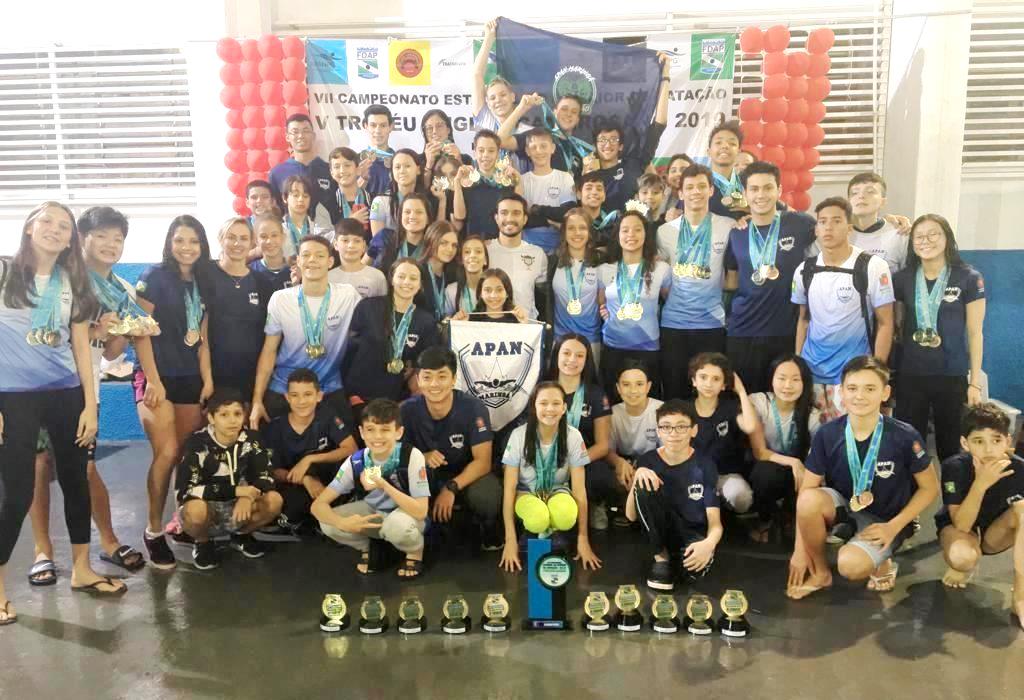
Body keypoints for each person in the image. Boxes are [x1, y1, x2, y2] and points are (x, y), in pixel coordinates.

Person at [1, 202, 126, 625]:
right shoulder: (4, 271)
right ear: (29, 226)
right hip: (13, 397)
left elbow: (80, 345)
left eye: (64, 226)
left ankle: (82, 569)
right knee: (15, 493)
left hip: (66, 392)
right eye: (47, 222)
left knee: (76, 482)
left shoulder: (73, 280)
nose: (55, 230)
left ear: (71, 238)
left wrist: (90, 404)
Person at [30, 207, 151, 586]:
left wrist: (113, 332)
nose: (110, 245)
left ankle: (109, 541)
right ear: (82, 238)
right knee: (39, 465)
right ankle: (42, 550)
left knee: (85, 467)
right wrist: (91, 331)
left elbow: (112, 353)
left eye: (118, 239)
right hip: (38, 387)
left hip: (85, 391)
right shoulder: (60, 278)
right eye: (102, 236)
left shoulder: (122, 290)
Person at [786, 356, 938, 600]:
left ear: (885, 393)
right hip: (846, 510)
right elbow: (807, 489)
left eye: (870, 389)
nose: (859, 396)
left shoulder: (904, 435)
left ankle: (884, 560)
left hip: (887, 520)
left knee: (850, 566)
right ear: (841, 393)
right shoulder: (828, 433)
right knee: (808, 500)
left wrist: (894, 526)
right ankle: (821, 573)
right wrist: (799, 550)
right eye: (852, 388)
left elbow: (930, 488)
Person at [133, 215, 214, 569]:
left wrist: (207, 379)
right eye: (179, 240)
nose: (186, 247)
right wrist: (153, 380)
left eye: (194, 241)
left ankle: (181, 523)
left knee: (184, 454)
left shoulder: (204, 280)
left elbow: (204, 337)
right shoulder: (154, 277)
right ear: (169, 243)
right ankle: (153, 531)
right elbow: (140, 331)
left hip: (190, 377)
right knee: (165, 453)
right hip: (157, 376)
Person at [894, 214, 986, 463]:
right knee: (910, 446)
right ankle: (913, 487)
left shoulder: (968, 277)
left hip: (951, 374)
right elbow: (897, 326)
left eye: (933, 234)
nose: (926, 241)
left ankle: (952, 489)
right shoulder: (902, 278)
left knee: (951, 446)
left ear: (947, 237)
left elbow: (975, 332)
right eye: (919, 236)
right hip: (911, 374)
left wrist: (975, 383)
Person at [793, 197, 895, 422]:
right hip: (812, 374)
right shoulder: (804, 270)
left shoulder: (873, 266)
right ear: (816, 229)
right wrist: (798, 363)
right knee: (815, 439)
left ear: (849, 228)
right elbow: (803, 320)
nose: (828, 227)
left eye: (836, 221)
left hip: (854, 376)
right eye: (822, 222)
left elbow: (886, 323)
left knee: (852, 437)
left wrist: (875, 372)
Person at [250, 235, 361, 430]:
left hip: (328, 386)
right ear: (298, 261)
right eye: (306, 255)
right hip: (285, 386)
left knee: (349, 441)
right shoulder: (280, 299)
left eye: (319, 256)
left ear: (330, 262)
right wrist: (257, 400)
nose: (312, 260)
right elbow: (269, 350)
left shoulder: (347, 295)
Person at [311, 398, 431, 579]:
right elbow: (317, 506)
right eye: (370, 430)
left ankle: (414, 551)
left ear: (398, 432)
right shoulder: (356, 461)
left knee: (396, 526)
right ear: (361, 432)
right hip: (376, 512)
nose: (377, 437)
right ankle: (370, 547)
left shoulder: (411, 456)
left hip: (408, 515)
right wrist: (341, 523)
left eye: (385, 430)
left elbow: (421, 511)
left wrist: (383, 484)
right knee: (327, 522)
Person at [724, 161, 816, 393]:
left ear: (779, 190)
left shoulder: (800, 224)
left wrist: (893, 221)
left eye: (768, 188)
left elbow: (835, 229)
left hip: (785, 330)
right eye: (754, 189)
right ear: (745, 193)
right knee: (745, 399)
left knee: (784, 398)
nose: (761, 195)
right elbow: (732, 281)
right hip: (743, 330)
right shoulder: (737, 232)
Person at [400, 347, 503, 549]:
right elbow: (392, 456)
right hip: (425, 476)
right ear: (418, 380)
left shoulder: (473, 408)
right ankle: (415, 535)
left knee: (487, 495)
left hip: (465, 476)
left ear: (454, 379)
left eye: (442, 376)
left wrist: (451, 487)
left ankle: (488, 528)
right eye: (427, 377)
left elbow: (483, 462)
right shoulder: (406, 410)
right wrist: (421, 456)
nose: (434, 384)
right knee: (400, 481)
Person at [934, 402, 1024, 627]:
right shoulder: (954, 467)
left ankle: (1021, 596)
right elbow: (962, 525)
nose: (988, 449)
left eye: (996, 440)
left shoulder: (1020, 469)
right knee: (962, 558)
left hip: (996, 534)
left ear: (1008, 441)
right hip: (962, 530)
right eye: (978, 441)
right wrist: (981, 484)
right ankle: (962, 563)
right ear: (965, 443)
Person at [499, 382, 601, 572]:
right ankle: (531, 532)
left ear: (564, 408)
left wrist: (583, 539)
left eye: (556, 403)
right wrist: (510, 541)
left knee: (566, 517)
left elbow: (579, 491)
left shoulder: (573, 436)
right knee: (538, 519)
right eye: (543, 403)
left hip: (558, 490)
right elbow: (509, 489)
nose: (550, 409)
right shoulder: (518, 436)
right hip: (526, 493)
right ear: (534, 406)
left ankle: (552, 531)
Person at [175, 389, 282, 569]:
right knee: (194, 511)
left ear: (244, 416)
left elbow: (266, 476)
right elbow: (186, 490)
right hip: (208, 509)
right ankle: (202, 542)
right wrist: (239, 491)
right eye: (224, 415)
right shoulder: (197, 443)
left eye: (237, 414)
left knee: (274, 500)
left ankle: (241, 535)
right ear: (211, 418)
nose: (232, 420)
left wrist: (247, 497)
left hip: (239, 509)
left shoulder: (252, 439)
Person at [657, 163, 737, 399]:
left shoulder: (728, 226)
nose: (696, 192)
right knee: (675, 391)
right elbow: (661, 276)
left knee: (710, 394)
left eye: (702, 186)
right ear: (680, 193)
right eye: (690, 187)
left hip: (711, 325)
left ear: (711, 190)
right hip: (673, 325)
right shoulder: (665, 231)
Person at [627, 400, 722, 591]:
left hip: (690, 533)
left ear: (693, 430)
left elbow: (715, 522)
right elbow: (630, 516)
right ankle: (661, 557)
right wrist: (637, 476)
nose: (673, 433)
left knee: (691, 574)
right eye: (666, 427)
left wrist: (708, 544)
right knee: (644, 481)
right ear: (658, 431)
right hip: (660, 532)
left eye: (681, 427)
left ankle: (678, 561)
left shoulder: (704, 465)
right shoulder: (648, 460)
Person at [260, 369, 357, 538]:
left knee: (350, 470)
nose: (301, 401)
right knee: (293, 507)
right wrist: (305, 479)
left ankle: (333, 512)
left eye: (307, 394)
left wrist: (309, 459)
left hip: (325, 480)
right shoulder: (276, 428)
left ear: (319, 396)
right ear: (287, 397)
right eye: (295, 395)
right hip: (295, 483)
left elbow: (351, 448)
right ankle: (305, 523)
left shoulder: (327, 415)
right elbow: (272, 471)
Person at [342, 258, 439, 404]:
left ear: (420, 285)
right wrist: (350, 394)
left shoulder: (426, 321)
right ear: (392, 279)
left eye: (413, 278)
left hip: (397, 399)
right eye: (401, 276)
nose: (407, 282)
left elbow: (425, 363)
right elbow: (348, 351)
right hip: (359, 396)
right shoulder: (368, 307)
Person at [747, 354, 821, 543]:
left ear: (804, 383)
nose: (788, 385)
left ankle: (789, 518)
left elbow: (816, 457)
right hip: (766, 466)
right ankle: (766, 519)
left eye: (795, 379)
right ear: (771, 379)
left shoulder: (812, 415)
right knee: (764, 473)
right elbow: (759, 452)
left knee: (809, 476)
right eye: (781, 378)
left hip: (798, 474)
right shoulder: (759, 402)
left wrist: (801, 468)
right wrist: (793, 462)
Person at [598, 211, 671, 400]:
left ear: (646, 234)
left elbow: (670, 301)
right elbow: (601, 303)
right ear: (618, 235)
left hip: (647, 348)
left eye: (637, 229)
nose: (631, 234)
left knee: (648, 404)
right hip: (613, 347)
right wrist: (606, 313)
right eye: (625, 230)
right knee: (613, 404)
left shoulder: (661, 269)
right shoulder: (604, 270)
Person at [585, 53, 671, 212]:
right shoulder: (589, 177)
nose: (607, 145)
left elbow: (659, 124)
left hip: (634, 227)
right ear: (595, 145)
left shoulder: (635, 163)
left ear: (621, 146)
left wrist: (665, 76)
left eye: (613, 140)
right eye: (602, 140)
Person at [547, 334, 614, 531]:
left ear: (587, 360)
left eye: (579, 355)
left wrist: (572, 463)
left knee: (601, 475)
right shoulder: (542, 389)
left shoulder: (596, 394)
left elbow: (603, 446)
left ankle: (594, 505)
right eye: (566, 353)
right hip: (547, 458)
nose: (572, 360)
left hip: (583, 460)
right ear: (556, 355)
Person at [205, 217, 270, 400]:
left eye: (243, 238)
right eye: (231, 237)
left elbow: (268, 335)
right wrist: (207, 379)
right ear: (221, 239)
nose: (237, 243)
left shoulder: (262, 282)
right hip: (211, 376)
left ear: (252, 242)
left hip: (250, 377)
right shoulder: (205, 274)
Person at [689, 353, 757, 513]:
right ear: (694, 381)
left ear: (724, 385)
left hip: (726, 476)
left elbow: (750, 426)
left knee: (742, 498)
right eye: (703, 377)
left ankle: (723, 508)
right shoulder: (684, 409)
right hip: (693, 475)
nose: (708, 384)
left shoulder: (730, 407)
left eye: (716, 379)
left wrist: (741, 391)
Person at [607, 362, 664, 516]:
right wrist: (619, 463)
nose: (633, 390)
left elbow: (667, 450)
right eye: (626, 385)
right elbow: (608, 450)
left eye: (639, 384)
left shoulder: (661, 410)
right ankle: (621, 510)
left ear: (648, 386)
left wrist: (641, 469)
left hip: (653, 462)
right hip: (626, 462)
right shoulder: (613, 414)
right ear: (618, 388)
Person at [545, 209, 601, 359]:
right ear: (564, 232)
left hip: (591, 340)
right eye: (571, 228)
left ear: (589, 232)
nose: (577, 233)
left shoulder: (601, 261)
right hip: (560, 340)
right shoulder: (552, 261)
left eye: (582, 228)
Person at [498, 93, 593, 178]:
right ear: (554, 112)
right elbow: (500, 141)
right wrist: (521, 108)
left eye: (574, 112)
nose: (569, 114)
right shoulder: (537, 136)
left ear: (577, 119)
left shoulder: (581, 149)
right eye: (564, 109)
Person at [485, 193, 547, 320]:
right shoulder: (485, 251)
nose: (509, 218)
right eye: (504, 213)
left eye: (516, 213)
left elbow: (542, 293)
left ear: (525, 219)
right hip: (492, 325)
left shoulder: (537, 253)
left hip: (527, 326)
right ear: (496, 218)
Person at [269, 114, 334, 231]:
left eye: (306, 131)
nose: (300, 136)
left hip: (326, 235)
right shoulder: (277, 173)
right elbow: (276, 210)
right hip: (291, 236)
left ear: (313, 135)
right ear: (287, 137)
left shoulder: (329, 170)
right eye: (295, 132)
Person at [452, 129, 523, 239]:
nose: (485, 155)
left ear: (498, 153)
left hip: (502, 242)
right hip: (474, 243)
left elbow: (517, 212)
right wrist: (457, 182)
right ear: (474, 152)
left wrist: (518, 180)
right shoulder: (466, 181)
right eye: (481, 150)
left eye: (491, 151)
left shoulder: (507, 181)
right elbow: (459, 216)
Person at [520, 128, 577, 253]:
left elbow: (567, 213)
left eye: (543, 146)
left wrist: (536, 209)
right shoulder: (521, 180)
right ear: (527, 151)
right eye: (534, 147)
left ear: (552, 148)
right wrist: (549, 220)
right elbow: (521, 219)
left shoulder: (565, 177)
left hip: (559, 247)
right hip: (528, 247)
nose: (539, 151)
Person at [848, 172, 909, 274]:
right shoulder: (839, 235)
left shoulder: (899, 234)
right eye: (855, 193)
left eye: (870, 192)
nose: (861, 196)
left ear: (883, 202)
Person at [370, 192, 432, 273]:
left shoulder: (433, 248)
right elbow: (362, 266)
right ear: (400, 216)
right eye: (407, 212)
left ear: (428, 218)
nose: (412, 216)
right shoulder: (384, 237)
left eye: (419, 212)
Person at [369, 149, 425, 238]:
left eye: (407, 166)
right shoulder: (380, 202)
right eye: (397, 167)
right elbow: (377, 241)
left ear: (418, 169)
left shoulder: (426, 201)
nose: (402, 171)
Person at [327, 218, 387, 299]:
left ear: (364, 245)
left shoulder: (377, 277)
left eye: (357, 241)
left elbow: (383, 305)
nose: (351, 245)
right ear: (336, 244)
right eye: (345, 240)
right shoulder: (328, 278)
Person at [707, 121, 751, 220]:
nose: (725, 146)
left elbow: (779, 212)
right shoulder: (697, 182)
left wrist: (755, 209)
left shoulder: (749, 183)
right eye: (718, 142)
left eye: (732, 143)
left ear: (739, 152)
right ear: (709, 151)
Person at [418, 221, 459, 323]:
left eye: (454, 245)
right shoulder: (417, 272)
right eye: (443, 243)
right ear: (431, 241)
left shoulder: (454, 275)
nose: (450, 249)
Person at [420, 108, 472, 187]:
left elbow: (470, 189)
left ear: (448, 130)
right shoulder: (417, 161)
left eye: (439, 126)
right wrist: (428, 165)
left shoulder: (466, 159)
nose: (434, 131)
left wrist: (459, 161)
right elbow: (420, 190)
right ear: (425, 133)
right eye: (429, 128)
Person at [281, 175, 328, 260]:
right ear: (285, 198)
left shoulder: (319, 228)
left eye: (305, 196)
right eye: (296, 195)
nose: (301, 199)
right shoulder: (279, 229)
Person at [327, 147, 370, 231]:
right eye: (337, 167)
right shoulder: (326, 204)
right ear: (332, 173)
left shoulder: (372, 200)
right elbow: (323, 235)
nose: (342, 171)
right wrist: (350, 221)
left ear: (358, 170)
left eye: (347, 165)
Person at [359, 104, 396, 200]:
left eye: (383, 125)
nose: (378, 130)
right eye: (373, 125)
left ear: (391, 127)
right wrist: (362, 179)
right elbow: (348, 197)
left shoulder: (399, 161)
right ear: (365, 126)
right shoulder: (355, 161)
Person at [446, 235, 488, 319]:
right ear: (461, 260)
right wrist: (454, 320)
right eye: (467, 252)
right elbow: (444, 321)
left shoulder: (496, 290)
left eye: (478, 251)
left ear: (485, 260)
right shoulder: (451, 291)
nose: (472, 255)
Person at [250, 214, 292, 293]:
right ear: (256, 240)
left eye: (274, 235)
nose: (269, 241)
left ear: (283, 237)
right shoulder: (250, 272)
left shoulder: (294, 270)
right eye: (263, 236)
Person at [662, 153, 694, 222]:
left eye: (684, 170)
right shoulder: (659, 195)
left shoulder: (702, 198)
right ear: (667, 176)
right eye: (673, 171)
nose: (678, 174)